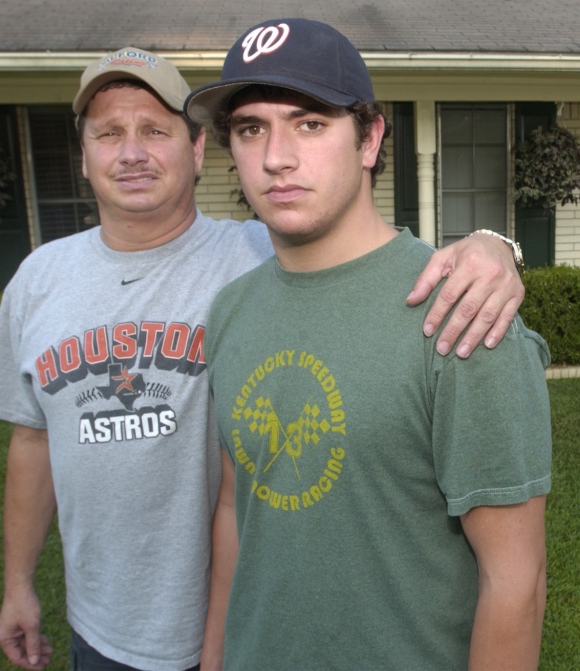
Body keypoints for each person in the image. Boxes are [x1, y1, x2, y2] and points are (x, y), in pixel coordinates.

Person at [0, 46, 527, 671]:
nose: (131, 154)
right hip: (111, 626)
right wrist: (18, 583)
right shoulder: (46, 279)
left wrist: (495, 243)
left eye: (155, 130)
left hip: (251, 623)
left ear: (194, 150)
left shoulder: (251, 252)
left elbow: (355, 247)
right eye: (108, 134)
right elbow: (33, 439)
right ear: (82, 154)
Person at [186, 18, 552, 670]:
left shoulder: (462, 313)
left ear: (370, 137)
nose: (276, 157)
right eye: (251, 129)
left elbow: (516, 581)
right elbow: (235, 509)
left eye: (310, 123)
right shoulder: (229, 312)